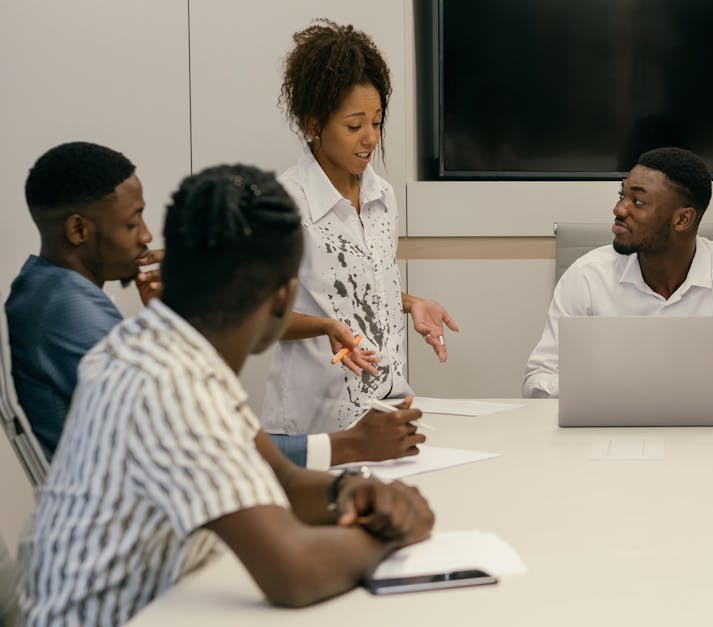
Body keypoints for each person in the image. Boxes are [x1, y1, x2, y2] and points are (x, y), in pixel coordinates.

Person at [19, 165, 434, 626]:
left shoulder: (158, 344)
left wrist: (353, 489)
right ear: (284, 298)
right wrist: (394, 531)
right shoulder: (171, 382)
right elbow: (293, 573)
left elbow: (285, 481)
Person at [263, 19, 457, 465]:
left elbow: (352, 282)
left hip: (388, 413)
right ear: (314, 124)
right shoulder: (282, 205)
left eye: (376, 122)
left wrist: (408, 302)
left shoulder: (382, 195)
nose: (370, 138)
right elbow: (255, 316)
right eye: (354, 126)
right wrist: (324, 327)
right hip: (315, 431)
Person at [523, 147, 713, 402]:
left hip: (709, 443)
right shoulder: (588, 276)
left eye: (638, 201)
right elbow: (537, 381)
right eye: (621, 196)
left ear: (683, 219)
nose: (620, 209)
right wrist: (613, 391)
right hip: (609, 438)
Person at [6, 141, 162, 458]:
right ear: (78, 230)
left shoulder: (39, 285)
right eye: (133, 222)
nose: (146, 236)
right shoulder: (69, 308)